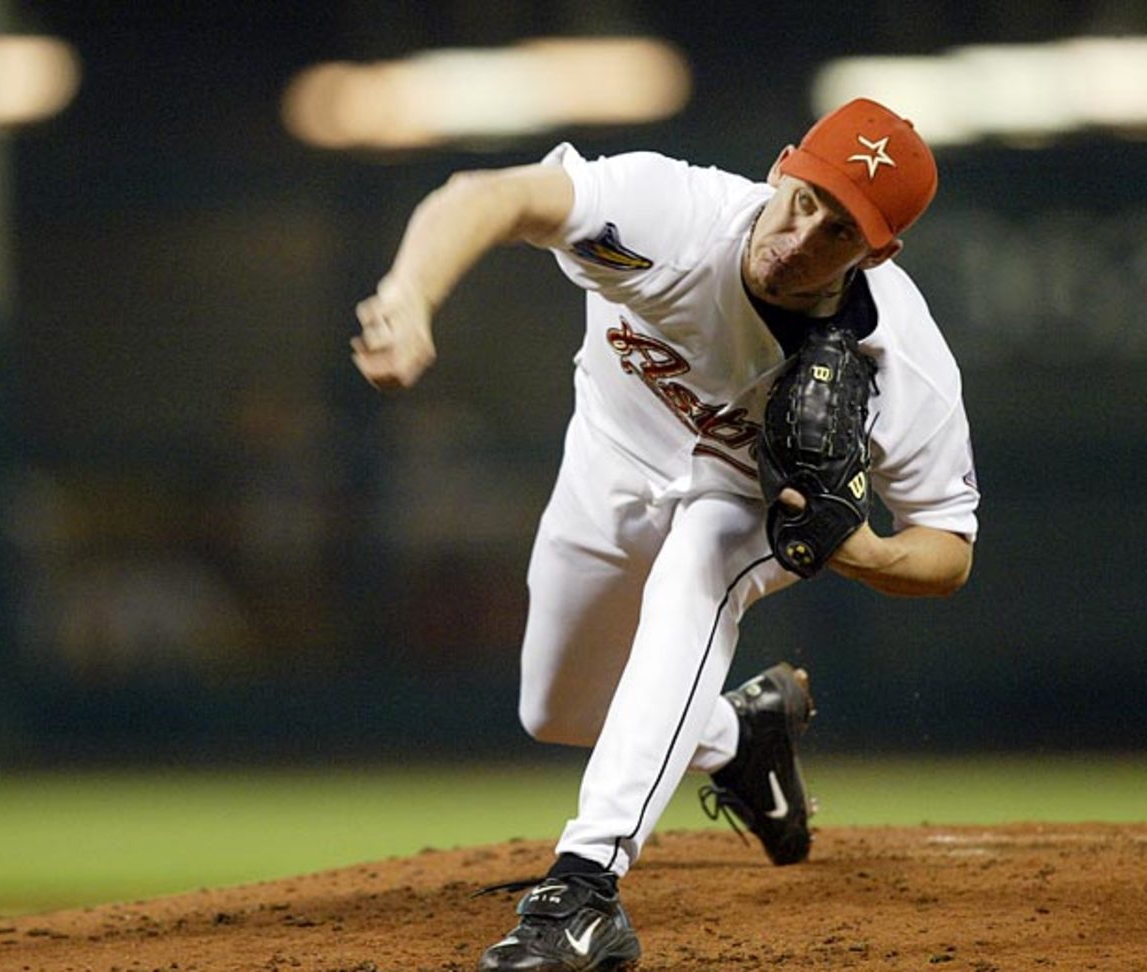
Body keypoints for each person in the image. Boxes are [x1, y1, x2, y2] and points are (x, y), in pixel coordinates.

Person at [353, 98, 980, 972]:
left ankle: (584, 889)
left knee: (701, 569)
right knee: (558, 710)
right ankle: (738, 737)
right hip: (608, 458)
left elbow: (949, 545)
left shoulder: (899, 360)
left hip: (746, 500)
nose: (803, 236)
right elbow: (484, 198)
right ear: (781, 164)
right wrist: (409, 295)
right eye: (805, 199)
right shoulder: (669, 216)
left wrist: (866, 554)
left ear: (879, 253)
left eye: (839, 231)